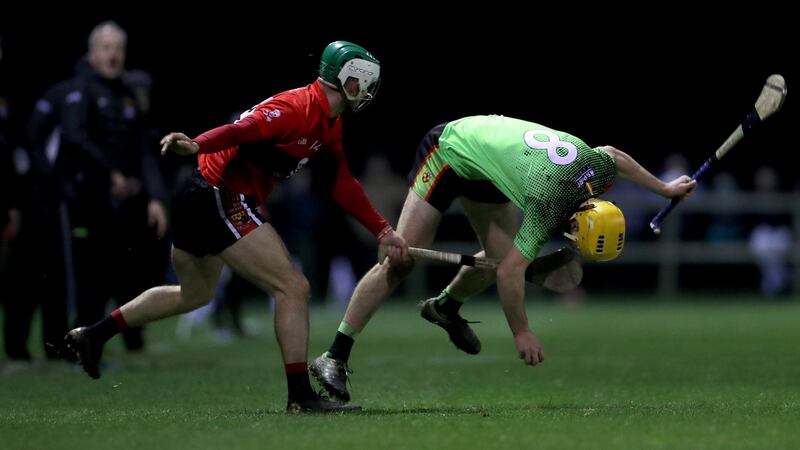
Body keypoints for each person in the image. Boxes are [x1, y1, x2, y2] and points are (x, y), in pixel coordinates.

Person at [61, 40, 408, 413]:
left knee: (193, 295)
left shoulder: (330, 122)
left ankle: (94, 336)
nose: (368, 90)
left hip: (200, 195)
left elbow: (342, 182)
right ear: (343, 77)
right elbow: (240, 130)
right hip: (216, 194)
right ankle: (300, 397)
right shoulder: (295, 108)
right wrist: (197, 144)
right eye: (363, 81)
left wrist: (384, 231)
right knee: (293, 287)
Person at [311, 115, 696, 402]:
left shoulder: (594, 172)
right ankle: (334, 356)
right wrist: (522, 332)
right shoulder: (549, 202)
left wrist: (664, 188)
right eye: (578, 241)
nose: (572, 243)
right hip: (450, 150)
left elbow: (614, 155)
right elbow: (512, 274)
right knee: (402, 263)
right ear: (579, 223)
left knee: (501, 256)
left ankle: (444, 307)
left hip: (489, 169)